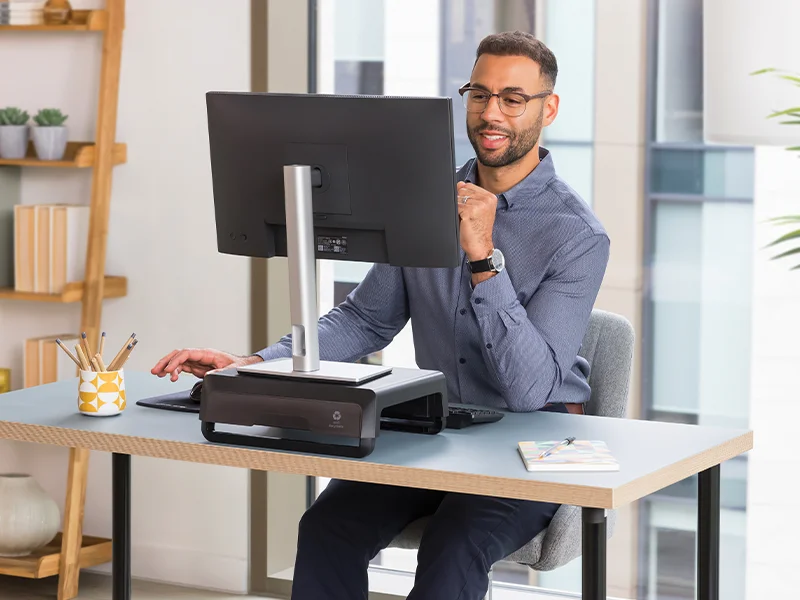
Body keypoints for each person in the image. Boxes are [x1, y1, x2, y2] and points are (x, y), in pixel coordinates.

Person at [152, 31, 609, 600]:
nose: (491, 113)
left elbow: (528, 391)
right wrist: (253, 364)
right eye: (479, 94)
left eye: (513, 99)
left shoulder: (577, 235)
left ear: (549, 108)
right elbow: (365, 320)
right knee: (327, 528)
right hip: (445, 427)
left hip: (533, 441)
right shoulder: (426, 199)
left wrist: (483, 259)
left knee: (454, 546)